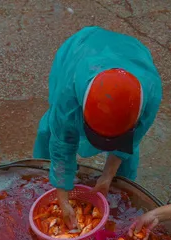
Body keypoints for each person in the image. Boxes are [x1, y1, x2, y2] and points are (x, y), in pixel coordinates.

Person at [33, 26, 162, 229]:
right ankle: (42, 174)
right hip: (81, 49)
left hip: (133, 54)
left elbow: (131, 140)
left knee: (128, 150)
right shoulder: (70, 91)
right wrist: (63, 199)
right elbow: (62, 143)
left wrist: (107, 176)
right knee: (53, 129)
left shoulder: (150, 94)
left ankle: (120, 186)